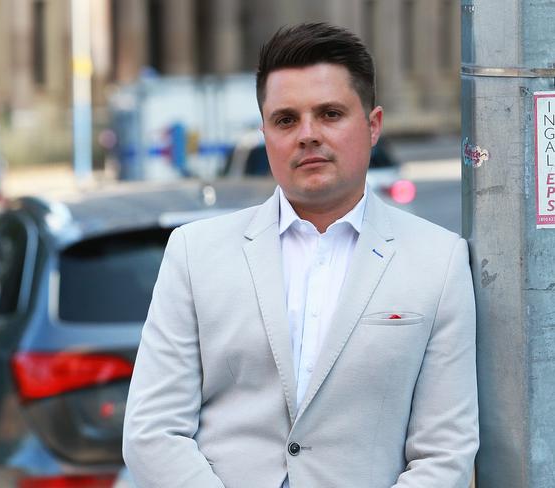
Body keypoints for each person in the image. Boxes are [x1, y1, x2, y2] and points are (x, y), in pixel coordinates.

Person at [122, 22, 478, 488]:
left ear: (373, 126)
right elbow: (152, 431)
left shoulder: (439, 261)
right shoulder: (194, 253)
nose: (307, 134)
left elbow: (445, 451)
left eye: (330, 114)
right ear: (265, 132)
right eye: (286, 119)